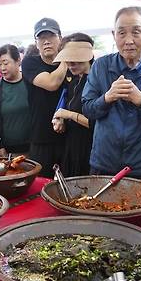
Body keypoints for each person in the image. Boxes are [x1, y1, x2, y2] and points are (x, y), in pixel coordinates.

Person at [82, 6, 141, 185]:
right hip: (104, 161)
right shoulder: (101, 66)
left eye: (136, 32)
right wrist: (107, 97)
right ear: (114, 35)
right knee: (99, 210)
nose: (129, 40)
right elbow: (87, 109)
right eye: (122, 33)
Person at [21, 18, 68, 177]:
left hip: (70, 136)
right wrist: (67, 59)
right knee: (40, 186)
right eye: (41, 38)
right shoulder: (30, 63)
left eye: (51, 36)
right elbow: (51, 83)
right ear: (36, 42)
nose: (46, 41)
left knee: (73, 185)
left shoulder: (75, 64)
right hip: (41, 136)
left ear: (60, 38)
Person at [51, 33, 95, 177]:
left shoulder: (97, 81)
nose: (71, 64)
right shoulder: (73, 81)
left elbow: (95, 123)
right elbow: (67, 107)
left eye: (75, 60)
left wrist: (68, 114)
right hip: (70, 146)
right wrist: (61, 120)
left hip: (90, 148)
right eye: (68, 60)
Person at [0, 44, 31, 156]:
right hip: (7, 151)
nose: (2, 68)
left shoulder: (30, 82)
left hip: (33, 148)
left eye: (6, 63)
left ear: (18, 61)